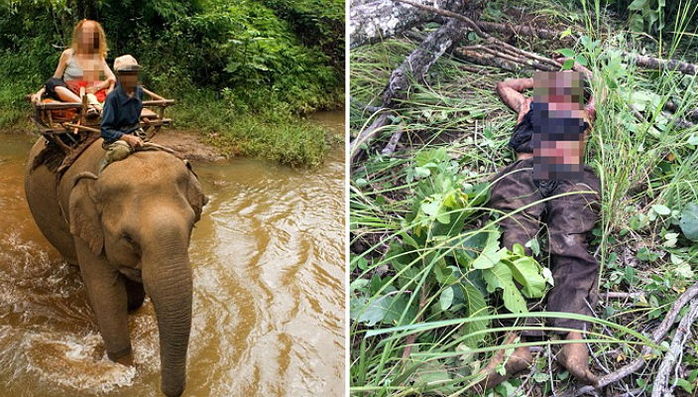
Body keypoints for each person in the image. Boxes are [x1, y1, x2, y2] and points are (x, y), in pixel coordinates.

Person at [476, 62, 601, 389]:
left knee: (572, 243)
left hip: (569, 172)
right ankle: (517, 340)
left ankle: (572, 339)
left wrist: (581, 74)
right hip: (524, 170)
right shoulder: (529, 106)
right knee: (515, 243)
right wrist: (541, 82)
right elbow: (505, 85)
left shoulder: (583, 111)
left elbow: (602, 88)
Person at [31, 19, 115, 117]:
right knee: (52, 82)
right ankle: (86, 106)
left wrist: (96, 88)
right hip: (70, 95)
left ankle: (92, 106)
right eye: (84, 33)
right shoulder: (68, 54)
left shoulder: (98, 57)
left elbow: (112, 78)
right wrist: (39, 93)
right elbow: (54, 81)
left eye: (91, 33)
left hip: (91, 94)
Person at [100, 54, 146, 165]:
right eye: (127, 73)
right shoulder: (112, 98)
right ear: (119, 76)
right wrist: (127, 138)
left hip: (136, 133)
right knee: (121, 151)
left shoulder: (139, 92)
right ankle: (103, 169)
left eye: (133, 73)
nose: (131, 77)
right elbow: (105, 130)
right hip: (117, 138)